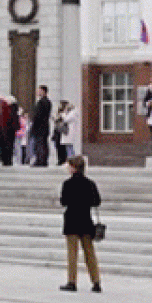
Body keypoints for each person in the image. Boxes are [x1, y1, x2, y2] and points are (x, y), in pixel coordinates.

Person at [59, 155, 102, 292]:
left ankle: (72, 281)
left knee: (72, 253)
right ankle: (96, 282)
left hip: (72, 220)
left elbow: (63, 201)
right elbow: (97, 201)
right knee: (90, 252)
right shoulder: (90, 183)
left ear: (73, 167)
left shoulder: (67, 184)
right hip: (85, 220)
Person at [30, 85, 52, 167]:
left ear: (43, 91)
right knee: (44, 144)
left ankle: (40, 160)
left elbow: (38, 116)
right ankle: (43, 160)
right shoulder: (48, 102)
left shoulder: (42, 102)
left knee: (40, 144)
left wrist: (34, 124)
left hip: (39, 127)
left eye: (39, 90)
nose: (37, 92)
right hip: (45, 126)